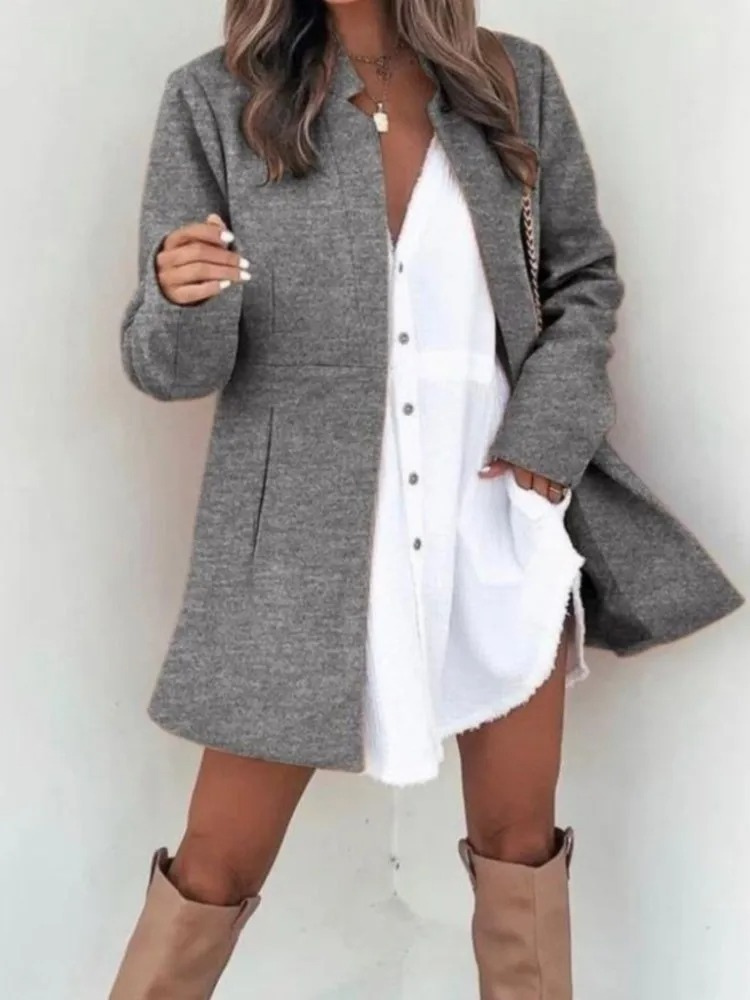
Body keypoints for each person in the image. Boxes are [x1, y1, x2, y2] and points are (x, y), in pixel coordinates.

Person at [109, 0, 743, 995]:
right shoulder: (216, 98)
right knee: (215, 863)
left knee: (520, 846)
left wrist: (549, 436)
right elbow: (171, 368)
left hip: (492, 517)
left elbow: (581, 279)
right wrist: (180, 296)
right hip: (301, 543)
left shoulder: (511, 80)